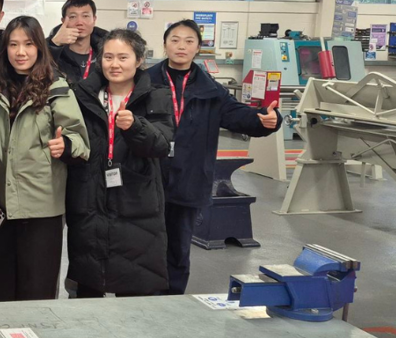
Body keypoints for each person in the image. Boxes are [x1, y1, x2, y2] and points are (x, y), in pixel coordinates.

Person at [147, 19, 282, 295]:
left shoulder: (210, 90)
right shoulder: (145, 82)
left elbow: (237, 115)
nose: (181, 46)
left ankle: (171, 299)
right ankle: (141, 297)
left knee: (178, 247)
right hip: (149, 178)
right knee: (144, 243)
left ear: (198, 47)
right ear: (164, 44)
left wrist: (266, 120)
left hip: (189, 178)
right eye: (174, 39)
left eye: (188, 41)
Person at [0, 16, 89, 302]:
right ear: (4, 49)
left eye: (28, 44)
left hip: (42, 206)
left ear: (40, 48)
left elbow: (80, 140)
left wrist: (65, 145)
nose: (21, 52)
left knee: (37, 291)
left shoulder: (56, 88)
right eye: (14, 44)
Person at [66, 29, 174, 298]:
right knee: (89, 281)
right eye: (109, 57)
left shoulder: (155, 97)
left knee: (136, 282)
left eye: (123, 57)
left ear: (138, 60)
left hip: (138, 199)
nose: (114, 64)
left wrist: (136, 126)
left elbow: (161, 145)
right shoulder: (82, 95)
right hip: (89, 195)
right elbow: (73, 139)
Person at [47, 0, 109, 83]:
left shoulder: (105, 53)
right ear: (63, 21)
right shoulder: (55, 53)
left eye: (85, 16)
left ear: (94, 20)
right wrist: (54, 44)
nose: (80, 22)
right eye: (73, 17)